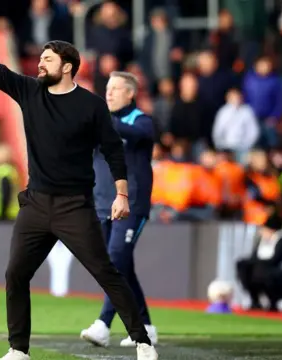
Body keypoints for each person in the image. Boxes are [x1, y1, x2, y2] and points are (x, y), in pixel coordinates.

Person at [0, 5, 157, 360]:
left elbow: (114, 151)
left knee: (107, 273)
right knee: (15, 274)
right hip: (36, 204)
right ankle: (18, 350)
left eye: (48, 60)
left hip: (74, 207)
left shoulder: (91, 106)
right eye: (41, 59)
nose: (40, 64)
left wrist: (122, 193)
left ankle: (142, 340)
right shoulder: (30, 92)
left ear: (67, 66)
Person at [81, 71, 158, 347]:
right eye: (108, 88)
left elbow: (139, 135)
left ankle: (103, 323)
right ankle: (146, 325)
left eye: (115, 89)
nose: (109, 93)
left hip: (131, 205)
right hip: (102, 204)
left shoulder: (140, 120)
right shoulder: (101, 124)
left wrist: (103, 120)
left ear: (130, 94)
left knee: (114, 261)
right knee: (122, 266)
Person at [236, 209, 282, 312]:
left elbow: (276, 260)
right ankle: (255, 300)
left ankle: (273, 302)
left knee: (262, 271)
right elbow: (253, 257)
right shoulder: (261, 241)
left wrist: (259, 264)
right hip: (260, 270)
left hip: (277, 273)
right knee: (244, 266)